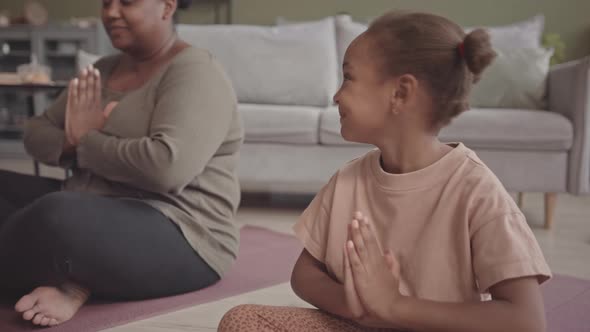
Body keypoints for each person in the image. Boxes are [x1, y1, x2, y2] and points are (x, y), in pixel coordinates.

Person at [218, 11, 551, 332]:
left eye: (348, 77)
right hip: (358, 325)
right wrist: (356, 304)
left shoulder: (477, 190)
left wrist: (394, 306)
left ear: (401, 93)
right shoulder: (347, 181)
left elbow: (525, 321)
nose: (335, 95)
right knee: (242, 321)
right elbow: (304, 276)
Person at [0, 0, 243, 327]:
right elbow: (35, 132)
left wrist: (87, 141)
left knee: (55, 215)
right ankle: (70, 277)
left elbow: (166, 168)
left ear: (167, 7)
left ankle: (66, 274)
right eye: (106, 2)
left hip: (181, 230)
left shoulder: (196, 71)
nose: (111, 12)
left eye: (126, 1)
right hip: (93, 206)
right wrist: (73, 142)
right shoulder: (102, 70)